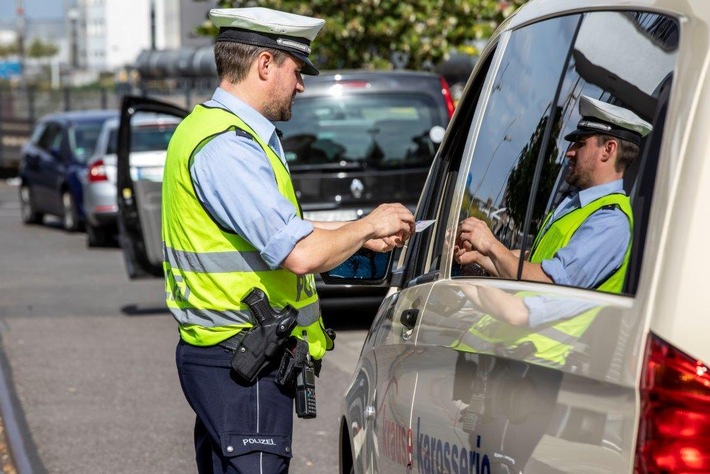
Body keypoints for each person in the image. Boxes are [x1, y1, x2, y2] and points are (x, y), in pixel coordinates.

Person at [162, 7, 415, 473]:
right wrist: (367, 225)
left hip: (233, 356)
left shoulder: (212, 131)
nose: (301, 85)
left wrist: (355, 234)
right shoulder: (228, 147)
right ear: (264, 64)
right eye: (296, 71)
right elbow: (297, 253)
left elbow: (279, 229)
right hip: (243, 360)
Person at [455, 95, 652, 295]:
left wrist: (490, 244)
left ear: (608, 150)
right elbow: (535, 260)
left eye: (580, 143)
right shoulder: (578, 203)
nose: (570, 152)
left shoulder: (610, 221)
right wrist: (479, 256)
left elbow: (548, 281)